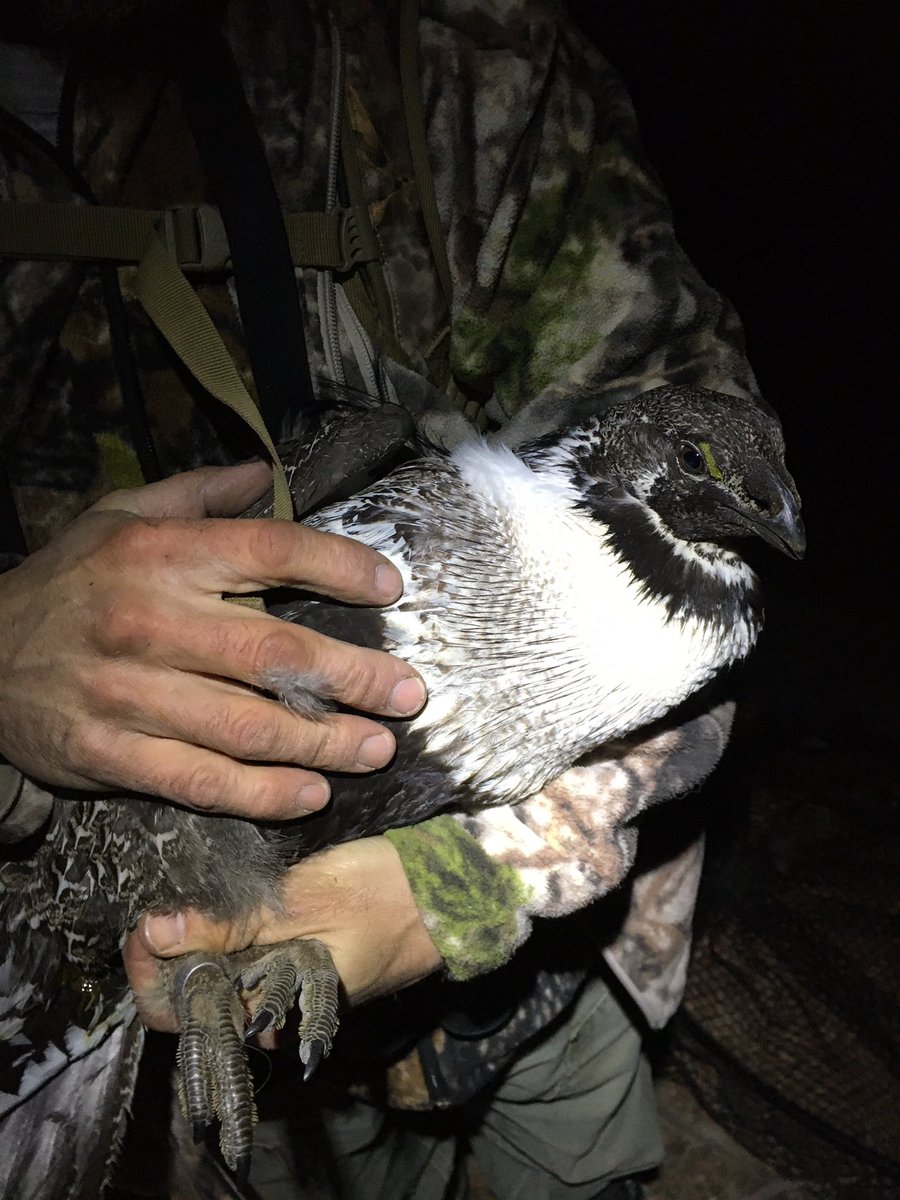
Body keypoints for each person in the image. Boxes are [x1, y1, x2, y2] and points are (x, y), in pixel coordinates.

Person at [0, 1, 762, 1197]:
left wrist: (457, 887)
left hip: (548, 945)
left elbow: (711, 503)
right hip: (180, 988)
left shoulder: (443, 63)